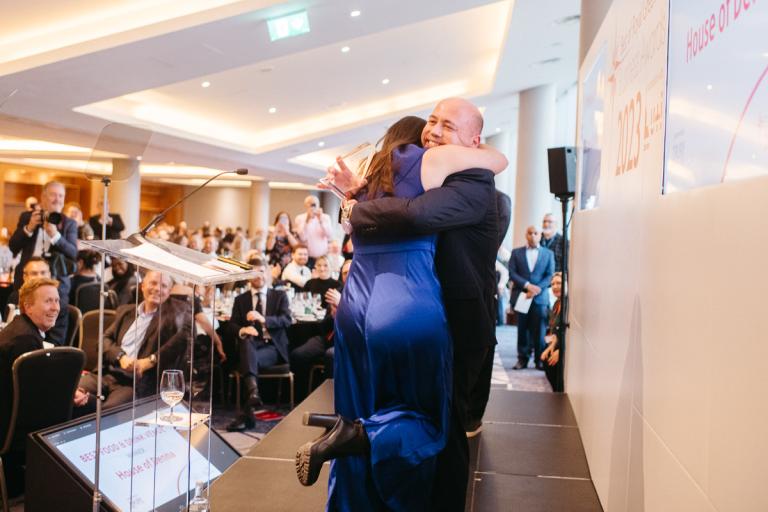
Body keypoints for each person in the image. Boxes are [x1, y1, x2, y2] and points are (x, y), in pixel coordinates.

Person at [298, 108, 507, 511]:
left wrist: (357, 205)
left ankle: (364, 454)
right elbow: (412, 212)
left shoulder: (473, 179)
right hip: (413, 310)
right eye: (433, 121)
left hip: (447, 321)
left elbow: (418, 215)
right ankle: (365, 442)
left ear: (474, 140)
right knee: (428, 425)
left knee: (434, 431)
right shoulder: (433, 170)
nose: (435, 131)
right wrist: (360, 199)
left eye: (448, 125)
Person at [75, 271, 191, 408]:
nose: (157, 289)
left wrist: (151, 360)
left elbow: (182, 339)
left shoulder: (175, 315)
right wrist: (121, 357)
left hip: (133, 383)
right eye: (153, 283)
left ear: (169, 291)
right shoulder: (125, 311)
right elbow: (104, 340)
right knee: (69, 392)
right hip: (105, 374)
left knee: (109, 412)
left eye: (164, 286)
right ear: (142, 286)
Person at [0, 277, 60, 498]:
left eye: (57, 300)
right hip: (11, 435)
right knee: (91, 409)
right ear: (27, 306)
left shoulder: (20, 328)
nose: (55, 307)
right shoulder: (25, 340)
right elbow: (35, 401)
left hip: (10, 419)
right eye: (48, 301)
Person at [226, 257, 292, 431]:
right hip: (250, 346)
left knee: (246, 359)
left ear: (267, 273)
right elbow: (231, 326)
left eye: (261, 271)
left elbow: (287, 320)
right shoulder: (240, 300)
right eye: (254, 272)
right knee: (246, 343)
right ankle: (253, 392)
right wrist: (243, 330)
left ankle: (245, 414)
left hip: (271, 348)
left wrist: (264, 320)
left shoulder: (279, 295)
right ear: (248, 276)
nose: (258, 276)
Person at [290, 257, 349, 403]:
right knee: (298, 354)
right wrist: (333, 316)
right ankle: (301, 401)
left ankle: (329, 403)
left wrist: (342, 305)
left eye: (350, 272)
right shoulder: (337, 291)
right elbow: (323, 325)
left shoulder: (364, 293)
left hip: (348, 340)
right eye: (344, 273)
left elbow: (363, 320)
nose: (347, 275)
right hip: (328, 337)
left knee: (331, 355)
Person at [508, 225, 555, 370]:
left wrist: (536, 289)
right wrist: (527, 286)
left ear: (540, 235)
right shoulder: (516, 253)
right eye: (530, 233)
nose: (533, 235)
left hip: (540, 298)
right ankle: (522, 358)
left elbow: (549, 275)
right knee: (522, 329)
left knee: (540, 330)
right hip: (522, 296)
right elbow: (512, 273)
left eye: (536, 233)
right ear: (526, 235)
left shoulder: (548, 254)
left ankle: (539, 360)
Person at [541, 272, 564, 392]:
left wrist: (561, 351)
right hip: (556, 342)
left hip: (564, 347)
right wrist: (550, 347)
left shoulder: (568, 305)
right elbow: (553, 331)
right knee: (545, 355)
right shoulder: (556, 304)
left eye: (558, 283)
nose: (555, 286)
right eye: (553, 284)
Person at [294, 195, 333, 267]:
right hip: (307, 257)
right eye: (310, 204)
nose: (313, 206)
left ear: (318, 205)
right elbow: (302, 237)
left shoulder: (325, 217)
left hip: (323, 256)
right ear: (305, 205)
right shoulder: (300, 218)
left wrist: (320, 220)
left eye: (315, 204)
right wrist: (307, 220)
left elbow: (329, 235)